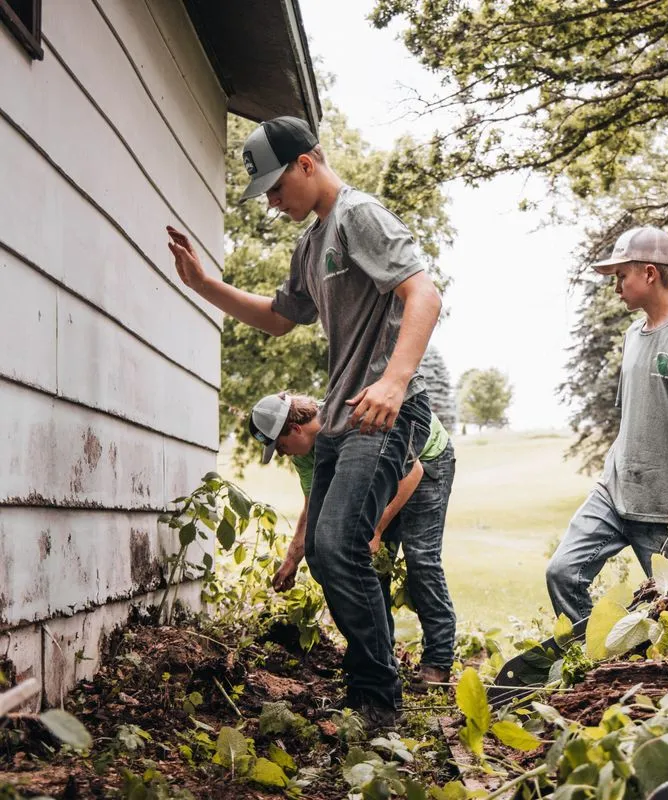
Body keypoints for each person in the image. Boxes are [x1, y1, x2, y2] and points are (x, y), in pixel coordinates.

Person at [166, 115, 442, 729]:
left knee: (340, 543)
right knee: (322, 549)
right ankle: (371, 687)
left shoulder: (359, 215)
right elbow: (278, 317)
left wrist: (395, 381)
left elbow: (424, 294)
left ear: (307, 163)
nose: (270, 200)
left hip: (381, 409)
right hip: (342, 415)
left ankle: (378, 701)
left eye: (274, 185)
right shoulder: (310, 243)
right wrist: (205, 285)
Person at [545, 226, 668, 623]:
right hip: (613, 493)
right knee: (562, 573)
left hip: (665, 510)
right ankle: (592, 662)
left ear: (649, 273)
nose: (616, 288)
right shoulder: (632, 334)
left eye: (621, 276)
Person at [254, 392, 458, 691]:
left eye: (281, 447)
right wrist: (292, 559)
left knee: (421, 558)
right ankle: (383, 659)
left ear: (295, 429)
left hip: (426, 460)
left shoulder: (349, 420)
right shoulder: (307, 454)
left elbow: (412, 472)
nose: (283, 454)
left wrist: (376, 530)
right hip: (390, 471)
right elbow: (313, 507)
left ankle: (437, 665)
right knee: (371, 566)